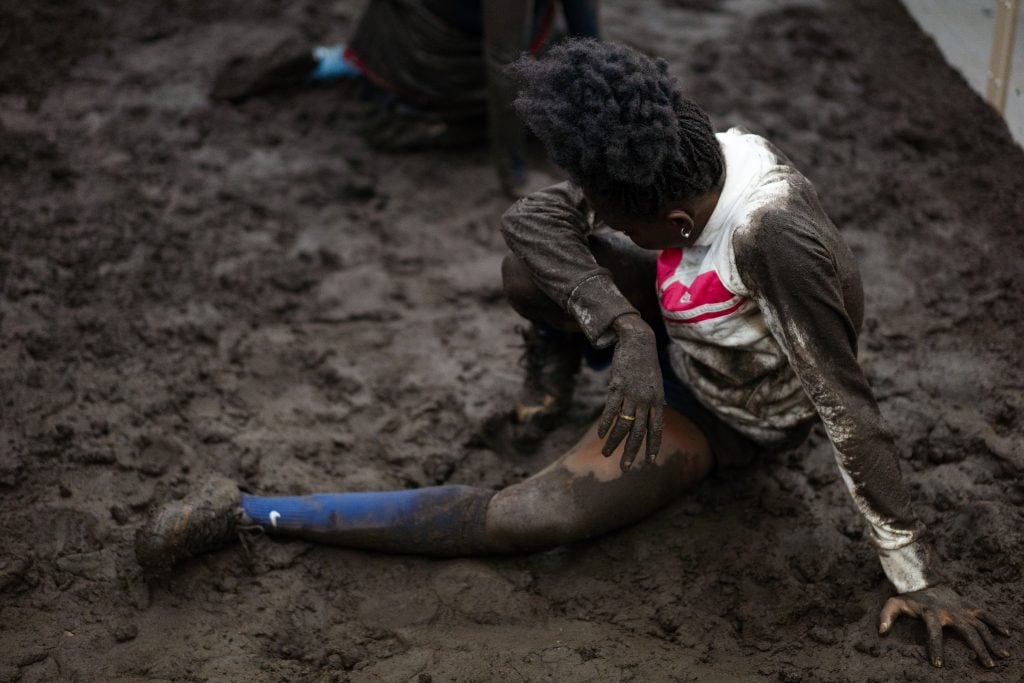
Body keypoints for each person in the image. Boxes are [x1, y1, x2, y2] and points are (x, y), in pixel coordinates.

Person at [136, 40, 1010, 670]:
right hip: (674, 332)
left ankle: (253, 510)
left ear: (673, 225)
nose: (599, 212)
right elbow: (533, 220)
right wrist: (624, 330)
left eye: (614, 214)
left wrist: (915, 574)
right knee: (530, 269)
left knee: (532, 521)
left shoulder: (770, 237)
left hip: (729, 410)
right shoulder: (687, 151)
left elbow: (847, 409)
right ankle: (557, 371)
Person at [211, 0, 600, 197]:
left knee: (558, 76)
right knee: (539, 109)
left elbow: (587, 33)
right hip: (429, 53)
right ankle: (405, 117)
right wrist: (513, 173)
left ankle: (333, 62)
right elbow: (504, 63)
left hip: (391, 28)